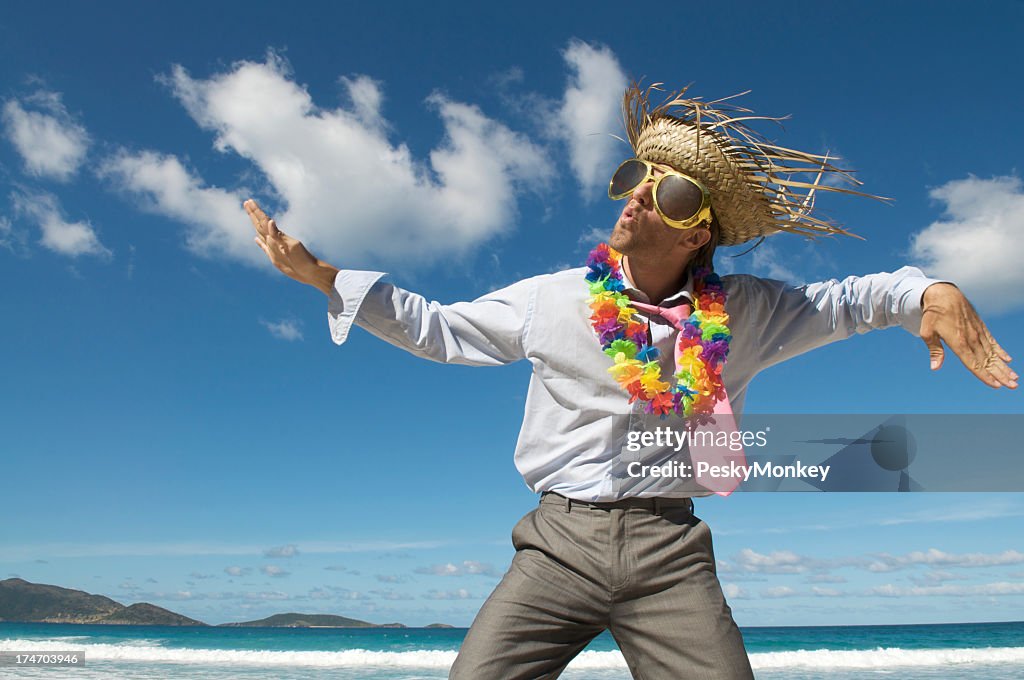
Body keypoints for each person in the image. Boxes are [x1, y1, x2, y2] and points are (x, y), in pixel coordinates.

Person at [243, 82, 1016, 679]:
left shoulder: (745, 313)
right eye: (634, 177)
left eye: (670, 192)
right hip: (558, 543)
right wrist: (324, 277)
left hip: (668, 548)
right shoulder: (554, 298)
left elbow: (847, 302)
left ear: (699, 230)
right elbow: (440, 329)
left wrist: (929, 291)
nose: (641, 195)